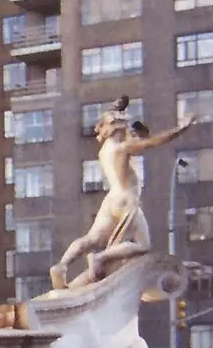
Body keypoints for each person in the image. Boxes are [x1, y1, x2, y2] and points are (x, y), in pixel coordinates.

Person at [49, 100, 200, 291]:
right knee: (143, 245)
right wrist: (181, 128)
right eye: (122, 125)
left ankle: (61, 266)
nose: (126, 127)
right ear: (113, 128)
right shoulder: (122, 148)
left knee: (92, 239)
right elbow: (153, 142)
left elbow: (138, 139)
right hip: (126, 201)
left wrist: (119, 112)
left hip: (112, 199)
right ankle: (100, 257)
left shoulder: (105, 150)